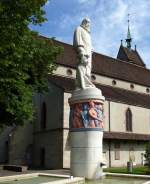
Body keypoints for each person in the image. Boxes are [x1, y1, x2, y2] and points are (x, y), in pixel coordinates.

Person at [73, 18, 95, 89]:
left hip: (89, 54)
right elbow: (78, 41)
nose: (88, 24)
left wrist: (91, 49)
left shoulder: (88, 33)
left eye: (89, 23)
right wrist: (81, 52)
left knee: (88, 69)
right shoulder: (79, 29)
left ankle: (87, 83)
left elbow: (88, 43)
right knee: (82, 69)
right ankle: (81, 84)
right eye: (87, 22)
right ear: (84, 22)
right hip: (83, 53)